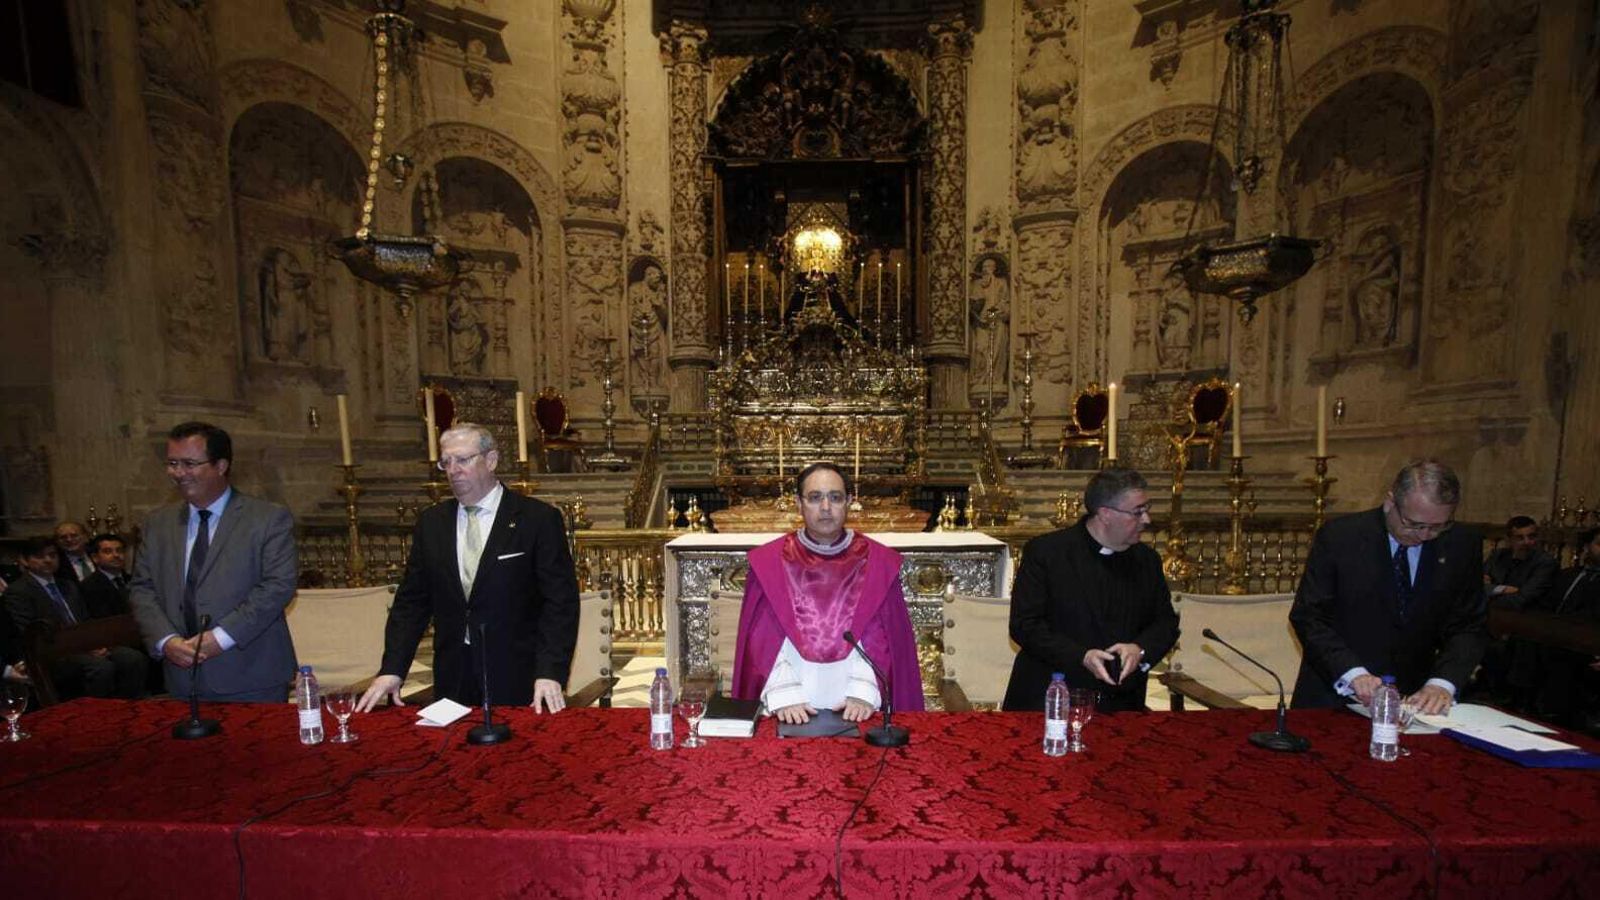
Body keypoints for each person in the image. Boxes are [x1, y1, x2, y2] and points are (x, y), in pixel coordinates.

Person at [356, 423, 579, 713]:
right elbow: (411, 603)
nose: (452, 470)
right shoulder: (432, 523)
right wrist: (392, 669)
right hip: (453, 675)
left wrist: (549, 672)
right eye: (445, 462)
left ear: (491, 460)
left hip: (520, 675)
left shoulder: (537, 519)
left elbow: (560, 603)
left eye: (463, 460)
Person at [731, 462, 924, 724]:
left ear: (849, 502)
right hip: (787, 709)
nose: (825, 507)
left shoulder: (878, 563)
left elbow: (883, 639)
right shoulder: (770, 563)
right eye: (814, 498)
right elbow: (762, 640)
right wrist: (783, 694)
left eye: (835, 497)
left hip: (859, 709)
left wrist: (864, 692)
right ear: (799, 503)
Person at [1289, 460, 1486, 715]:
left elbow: (1468, 625)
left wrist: (1442, 683)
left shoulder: (1462, 543)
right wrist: (1354, 674)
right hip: (1335, 699)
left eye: (1437, 526)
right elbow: (1309, 616)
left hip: (1416, 704)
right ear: (1391, 502)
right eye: (1413, 524)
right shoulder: (1341, 537)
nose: (1424, 535)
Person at [128, 422, 299, 703]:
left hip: (250, 674)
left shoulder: (267, 519)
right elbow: (142, 589)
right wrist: (165, 641)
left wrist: (219, 638)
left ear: (221, 466)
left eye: (189, 464)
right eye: (172, 463)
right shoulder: (157, 524)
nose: (178, 473)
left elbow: (277, 587)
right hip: (181, 678)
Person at [1002, 467, 1179, 713]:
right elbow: (1025, 625)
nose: (1147, 520)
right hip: (1048, 700)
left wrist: (1139, 649)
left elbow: (1166, 623)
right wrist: (1081, 656)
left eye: (1146, 510)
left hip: (1121, 705)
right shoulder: (1047, 553)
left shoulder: (1146, 560)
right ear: (1106, 514)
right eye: (1137, 512)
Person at [3, 536, 145, 699]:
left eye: (52, 555)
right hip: (54, 652)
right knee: (100, 667)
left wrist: (97, 643)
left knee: (132, 658)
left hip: (86, 644)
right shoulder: (18, 591)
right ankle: (93, 716)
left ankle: (128, 708)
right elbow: (30, 631)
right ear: (25, 560)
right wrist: (83, 647)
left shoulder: (68, 585)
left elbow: (86, 620)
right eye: (40, 556)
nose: (48, 560)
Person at [1509, 528, 1600, 729]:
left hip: (1589, 648)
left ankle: (1558, 718)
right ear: (1586, 547)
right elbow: (1545, 607)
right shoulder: (1568, 575)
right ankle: (1521, 708)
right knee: (1525, 638)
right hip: (1556, 637)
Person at [1475, 516, 1558, 700]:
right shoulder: (1498, 556)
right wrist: (1501, 589)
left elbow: (1523, 598)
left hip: (1527, 624)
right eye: (1520, 538)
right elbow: (1473, 587)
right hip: (1492, 620)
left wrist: (1489, 591)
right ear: (1509, 539)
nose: (1527, 542)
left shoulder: (1545, 563)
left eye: (1531, 536)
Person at [79, 533, 132, 620]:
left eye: (119, 550)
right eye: (108, 551)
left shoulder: (133, 579)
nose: (116, 555)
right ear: (95, 557)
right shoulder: (89, 586)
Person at [53, 521, 94, 586]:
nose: (69, 540)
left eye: (74, 535)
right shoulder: (56, 564)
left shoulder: (96, 555)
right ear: (57, 541)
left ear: (86, 537)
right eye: (63, 537)